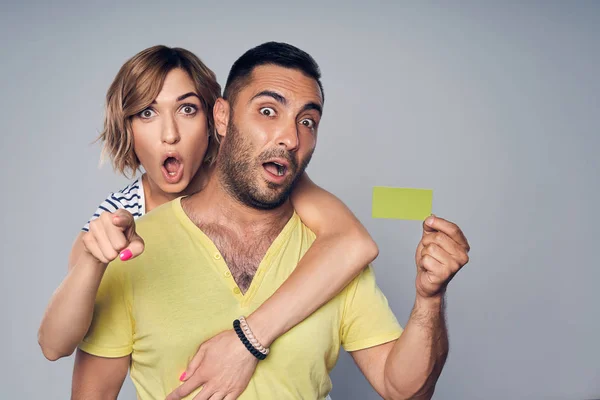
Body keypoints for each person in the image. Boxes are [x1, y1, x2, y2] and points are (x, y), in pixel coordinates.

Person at [71, 42, 470, 400]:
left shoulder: (331, 257)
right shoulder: (134, 249)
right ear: (222, 118)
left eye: (307, 121)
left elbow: (404, 390)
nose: (291, 137)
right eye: (268, 111)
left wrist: (429, 300)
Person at [37, 45, 378, 369]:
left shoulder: (253, 178)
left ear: (216, 118)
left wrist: (250, 338)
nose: (170, 134)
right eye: (147, 113)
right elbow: (54, 346)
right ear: (127, 128)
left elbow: (353, 243)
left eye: (187, 109)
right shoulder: (116, 219)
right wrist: (94, 261)